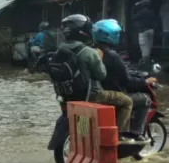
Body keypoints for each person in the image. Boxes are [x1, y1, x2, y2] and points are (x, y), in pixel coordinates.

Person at [57, 14, 138, 143]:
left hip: (70, 95)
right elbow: (101, 75)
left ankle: (83, 139)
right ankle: (119, 136)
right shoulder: (89, 52)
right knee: (127, 101)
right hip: (92, 95)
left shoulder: (60, 50)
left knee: (83, 121)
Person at [93, 19, 156, 140]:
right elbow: (127, 82)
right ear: (110, 35)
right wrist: (145, 82)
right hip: (110, 94)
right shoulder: (112, 55)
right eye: (116, 34)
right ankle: (133, 133)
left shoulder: (93, 51)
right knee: (145, 99)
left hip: (98, 91)